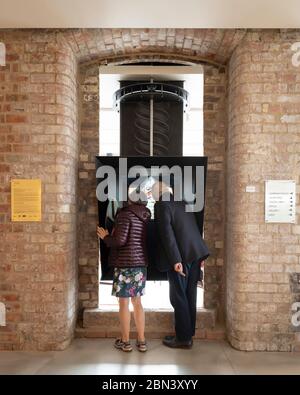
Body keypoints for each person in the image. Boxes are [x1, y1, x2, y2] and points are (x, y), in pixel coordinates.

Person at [152, 181, 210, 349]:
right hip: (195, 253)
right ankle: (187, 333)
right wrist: (198, 255)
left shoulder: (162, 205)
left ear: (159, 192)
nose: (153, 196)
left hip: (181, 257)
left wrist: (176, 260)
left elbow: (167, 234)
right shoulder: (182, 201)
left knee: (178, 296)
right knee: (190, 295)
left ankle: (183, 339)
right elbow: (192, 228)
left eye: (153, 192)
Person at [97, 193, 151, 353]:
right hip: (140, 264)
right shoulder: (145, 214)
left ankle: (126, 342)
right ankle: (141, 341)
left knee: (124, 304)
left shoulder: (124, 214)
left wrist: (105, 236)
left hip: (124, 264)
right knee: (138, 302)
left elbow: (119, 241)